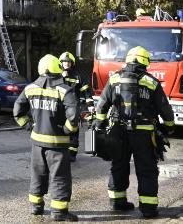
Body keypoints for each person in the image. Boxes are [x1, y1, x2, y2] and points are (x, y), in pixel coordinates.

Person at [94, 46, 174, 219]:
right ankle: (148, 208)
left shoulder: (114, 78)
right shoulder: (151, 82)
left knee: (119, 164)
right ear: (145, 62)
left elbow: (102, 105)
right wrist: (169, 126)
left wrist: (100, 124)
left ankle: (117, 201)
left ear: (128, 60)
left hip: (118, 131)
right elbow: (165, 108)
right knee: (146, 168)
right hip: (144, 133)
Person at [14, 54, 79, 221]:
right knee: (60, 177)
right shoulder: (65, 90)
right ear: (58, 68)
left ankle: (36, 207)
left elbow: (17, 111)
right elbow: (73, 117)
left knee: (38, 174)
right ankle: (59, 212)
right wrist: (67, 130)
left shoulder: (30, 88)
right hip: (58, 144)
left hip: (37, 142)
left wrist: (29, 126)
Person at [59, 51, 93, 161]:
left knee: (73, 131)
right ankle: (59, 152)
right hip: (60, 108)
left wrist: (90, 105)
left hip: (73, 108)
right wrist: (62, 78)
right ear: (61, 63)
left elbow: (86, 91)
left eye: (69, 62)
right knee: (59, 130)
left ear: (72, 63)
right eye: (65, 62)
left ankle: (72, 154)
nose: (67, 63)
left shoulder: (78, 76)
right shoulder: (57, 75)